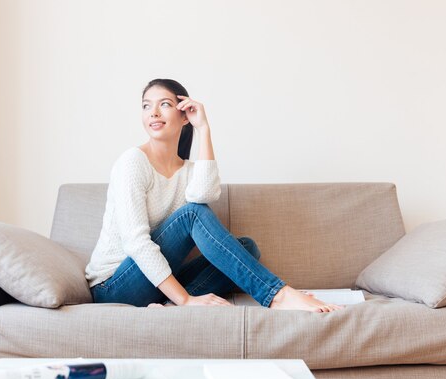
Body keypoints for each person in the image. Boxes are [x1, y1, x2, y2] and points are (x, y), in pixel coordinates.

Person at [85, 78, 343, 313]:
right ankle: (277, 295)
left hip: (153, 283)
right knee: (191, 215)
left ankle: (167, 306)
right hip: (114, 286)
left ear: (184, 114)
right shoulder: (133, 162)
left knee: (247, 248)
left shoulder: (187, 171)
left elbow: (204, 194)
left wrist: (204, 129)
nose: (153, 112)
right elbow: (137, 243)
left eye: (164, 104)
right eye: (146, 106)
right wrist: (185, 298)